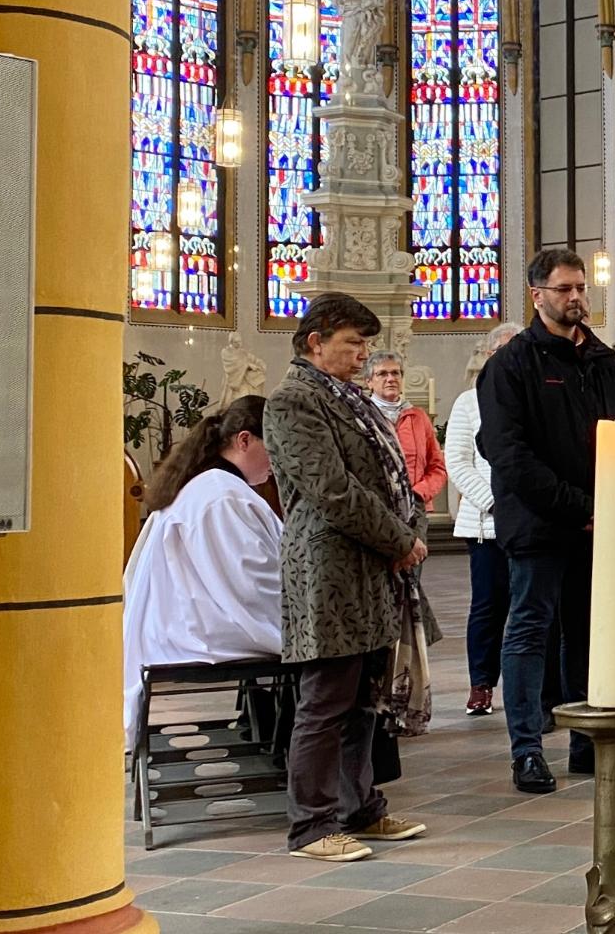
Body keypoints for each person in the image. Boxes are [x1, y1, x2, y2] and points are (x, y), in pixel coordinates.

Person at [265, 293, 429, 862]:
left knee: (365, 701)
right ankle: (310, 826)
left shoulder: (349, 399)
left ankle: (358, 808)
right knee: (326, 700)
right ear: (316, 341)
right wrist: (399, 538)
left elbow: (389, 477)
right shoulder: (292, 402)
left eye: (365, 343)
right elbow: (332, 489)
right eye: (353, 342)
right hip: (329, 571)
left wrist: (407, 529)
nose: (363, 354)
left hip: (370, 570)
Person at [477, 248, 615, 794]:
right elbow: (509, 453)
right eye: (564, 289)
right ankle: (526, 749)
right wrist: (580, 506)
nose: (575, 298)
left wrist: (614, 504)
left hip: (600, 524)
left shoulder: (606, 362)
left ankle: (586, 744)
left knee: (590, 636)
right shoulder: (512, 364)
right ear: (537, 295)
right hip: (540, 526)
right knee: (530, 631)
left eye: (580, 288)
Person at [122, 396, 283, 751]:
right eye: (276, 446)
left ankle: (280, 747)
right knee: (337, 654)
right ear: (245, 440)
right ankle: (314, 773)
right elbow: (251, 586)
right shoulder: (223, 496)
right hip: (201, 630)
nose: (281, 461)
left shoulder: (214, 487)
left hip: (189, 622)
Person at [444, 322, 524, 716]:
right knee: (489, 607)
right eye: (504, 351)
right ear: (490, 355)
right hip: (487, 524)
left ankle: (535, 690)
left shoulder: (534, 398)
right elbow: (458, 462)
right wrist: (497, 502)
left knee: (533, 609)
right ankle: (481, 684)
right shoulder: (467, 402)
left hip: (530, 522)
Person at [364, 352, 447, 512]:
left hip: (416, 507)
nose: (390, 378)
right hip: (375, 509)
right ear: (369, 382)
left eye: (395, 373)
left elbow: (437, 466)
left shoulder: (419, 417)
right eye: (382, 373)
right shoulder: (362, 416)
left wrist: (418, 494)